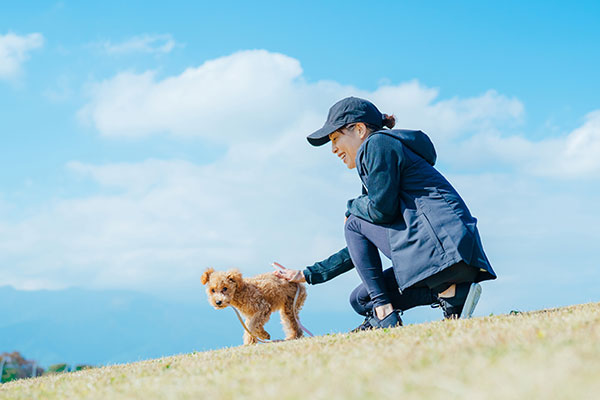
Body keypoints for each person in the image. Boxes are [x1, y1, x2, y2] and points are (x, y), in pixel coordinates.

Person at [273, 97, 496, 330]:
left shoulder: (377, 144)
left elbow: (380, 211)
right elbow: (361, 246)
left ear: (359, 129)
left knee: (354, 222)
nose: (333, 149)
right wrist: (308, 274)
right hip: (449, 254)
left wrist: (352, 207)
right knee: (361, 299)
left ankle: (384, 314)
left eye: (335, 138)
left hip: (442, 250)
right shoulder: (383, 153)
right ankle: (453, 295)